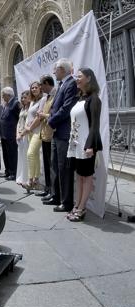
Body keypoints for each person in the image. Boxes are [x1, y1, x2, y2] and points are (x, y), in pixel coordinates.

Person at [66, 68, 103, 221]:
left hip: (86, 145)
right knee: (79, 177)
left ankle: (81, 208)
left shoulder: (94, 99)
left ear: (88, 78)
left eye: (79, 77)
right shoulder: (79, 99)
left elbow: (94, 125)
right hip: (75, 145)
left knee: (86, 177)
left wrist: (90, 146)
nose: (77, 79)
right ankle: (77, 205)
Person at [43, 58, 79, 212]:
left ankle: (66, 202)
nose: (53, 72)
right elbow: (55, 107)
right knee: (55, 166)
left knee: (64, 168)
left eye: (55, 70)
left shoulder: (71, 84)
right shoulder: (62, 84)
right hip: (57, 132)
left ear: (63, 70)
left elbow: (66, 108)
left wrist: (51, 122)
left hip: (63, 132)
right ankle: (56, 195)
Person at [35, 75, 57, 197]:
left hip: (51, 133)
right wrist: (42, 114)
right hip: (44, 134)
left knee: (51, 165)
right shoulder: (46, 97)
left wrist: (44, 115)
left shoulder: (55, 95)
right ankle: (47, 188)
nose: (40, 88)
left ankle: (53, 191)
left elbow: (55, 114)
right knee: (47, 164)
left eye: (42, 85)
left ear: (47, 83)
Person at [25, 81, 45, 190]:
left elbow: (39, 118)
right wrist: (27, 128)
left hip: (38, 131)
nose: (33, 89)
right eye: (32, 88)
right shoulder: (32, 101)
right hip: (30, 132)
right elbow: (30, 116)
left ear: (40, 88)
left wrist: (30, 127)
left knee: (30, 154)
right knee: (35, 155)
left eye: (36, 87)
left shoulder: (43, 99)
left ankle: (30, 180)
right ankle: (36, 180)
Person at [0, 87, 20, 181]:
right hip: (4, 134)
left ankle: (13, 172)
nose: (2, 97)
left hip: (11, 133)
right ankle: (7, 171)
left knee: (12, 154)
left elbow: (19, 118)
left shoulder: (15, 103)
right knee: (6, 154)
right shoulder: (6, 104)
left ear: (8, 95)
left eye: (3, 95)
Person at [16, 91, 30, 186]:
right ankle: (20, 176)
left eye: (25, 97)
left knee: (26, 157)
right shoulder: (22, 108)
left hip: (26, 135)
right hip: (20, 134)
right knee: (20, 157)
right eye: (22, 98)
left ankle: (26, 178)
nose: (23, 99)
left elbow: (29, 123)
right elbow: (18, 122)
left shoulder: (31, 109)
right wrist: (17, 133)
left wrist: (22, 134)